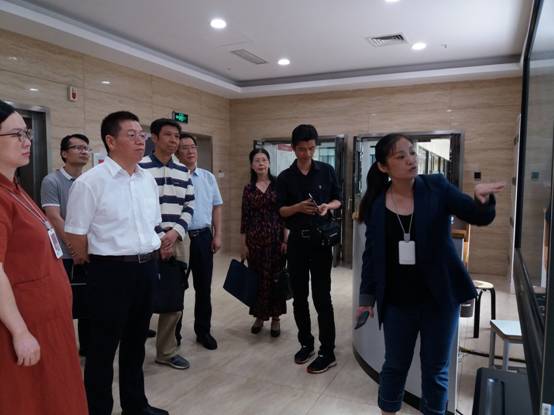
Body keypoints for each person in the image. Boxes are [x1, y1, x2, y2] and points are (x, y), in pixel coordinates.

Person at [356, 133, 504, 415]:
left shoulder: (436, 187)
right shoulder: (377, 204)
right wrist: (366, 298)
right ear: (384, 167)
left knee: (436, 370)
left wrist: (482, 199)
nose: (411, 160)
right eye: (401, 156)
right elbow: (372, 256)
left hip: (440, 300)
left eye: (411, 153)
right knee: (395, 365)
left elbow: (478, 216)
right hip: (398, 303)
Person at [65, 111, 168, 415]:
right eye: (131, 135)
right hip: (109, 272)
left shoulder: (147, 180)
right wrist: (98, 261)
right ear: (111, 141)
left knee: (136, 343)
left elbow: (152, 224)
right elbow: (76, 234)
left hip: (146, 268)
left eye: (142, 135)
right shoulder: (90, 182)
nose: (140, 141)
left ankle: (136, 405)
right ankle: (98, 409)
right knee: (102, 347)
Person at [0, 100, 88, 414]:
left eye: (27, 133)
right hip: (24, 323)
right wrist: (20, 331)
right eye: (16, 135)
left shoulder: (15, 189)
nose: (27, 141)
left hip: (48, 319)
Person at [276, 124, 341, 374]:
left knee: (322, 297)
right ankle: (306, 344)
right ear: (294, 148)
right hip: (297, 244)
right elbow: (281, 211)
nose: (307, 153)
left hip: (321, 243)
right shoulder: (285, 177)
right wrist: (298, 208)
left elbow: (338, 199)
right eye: (302, 149)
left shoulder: (326, 170)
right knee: (300, 297)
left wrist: (327, 207)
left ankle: (328, 350)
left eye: (312, 148)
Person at [140, 118, 194, 370]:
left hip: (178, 240)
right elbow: (138, 208)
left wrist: (175, 233)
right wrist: (160, 237)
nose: (173, 140)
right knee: (142, 297)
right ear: (154, 137)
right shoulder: (140, 168)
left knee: (174, 297)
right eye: (168, 135)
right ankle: (134, 350)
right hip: (146, 242)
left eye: (177, 136)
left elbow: (189, 205)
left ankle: (166, 351)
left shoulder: (183, 171)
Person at [40, 133, 91, 356]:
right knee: (64, 304)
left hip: (88, 251)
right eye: (77, 147)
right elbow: (54, 217)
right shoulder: (52, 181)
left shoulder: (89, 180)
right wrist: (75, 248)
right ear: (64, 153)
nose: (83, 151)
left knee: (89, 302)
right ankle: (63, 350)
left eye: (86, 148)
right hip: (65, 254)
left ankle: (87, 347)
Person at [175, 133, 222, 350]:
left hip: (203, 236)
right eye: (184, 147)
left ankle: (203, 331)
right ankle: (173, 334)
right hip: (180, 238)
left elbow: (216, 207)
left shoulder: (208, 177)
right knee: (176, 288)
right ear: (177, 152)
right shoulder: (174, 177)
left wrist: (217, 234)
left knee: (204, 288)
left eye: (192, 147)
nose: (190, 151)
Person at [240, 148, 287, 337]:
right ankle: (259, 316)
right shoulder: (248, 189)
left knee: (275, 279)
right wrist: (243, 244)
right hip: (255, 241)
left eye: (264, 160)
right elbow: (245, 217)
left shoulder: (278, 186)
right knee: (257, 279)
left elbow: (284, 214)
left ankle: (276, 318)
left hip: (276, 239)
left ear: (269, 163)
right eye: (257, 160)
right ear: (252, 165)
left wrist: (286, 239)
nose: (260, 163)